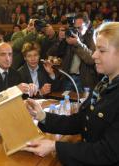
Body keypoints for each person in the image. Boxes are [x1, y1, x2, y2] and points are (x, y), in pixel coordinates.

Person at [23, 22, 119, 166]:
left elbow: (106, 153)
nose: (94, 55)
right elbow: (81, 121)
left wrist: (55, 146)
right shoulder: (103, 85)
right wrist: (43, 116)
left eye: (101, 50)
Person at [47, 13, 98, 91]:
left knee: (83, 102)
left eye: (79, 28)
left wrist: (77, 43)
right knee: (67, 100)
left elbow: (91, 59)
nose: (77, 30)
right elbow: (51, 53)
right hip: (68, 77)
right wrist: (60, 40)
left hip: (83, 79)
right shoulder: (70, 35)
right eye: (75, 28)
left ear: (87, 25)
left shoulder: (93, 37)